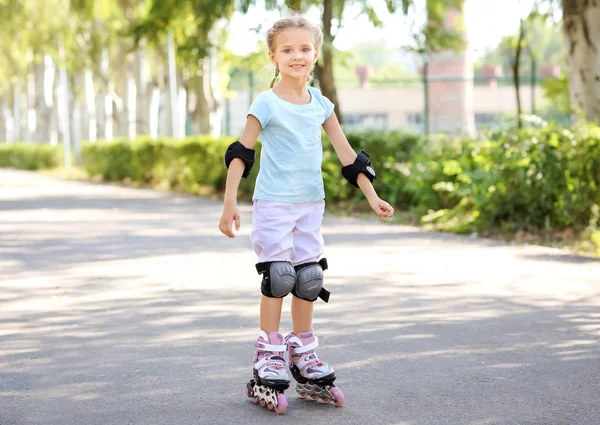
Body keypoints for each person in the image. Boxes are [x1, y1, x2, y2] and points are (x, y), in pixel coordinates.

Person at [218, 13, 394, 413]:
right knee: (279, 275)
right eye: (287, 50)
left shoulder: (321, 104)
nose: (296, 56)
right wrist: (230, 201)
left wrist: (372, 195)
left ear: (315, 54)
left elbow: (349, 158)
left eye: (304, 49)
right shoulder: (265, 102)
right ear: (273, 55)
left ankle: (304, 350)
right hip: (275, 204)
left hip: (311, 204)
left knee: (309, 277)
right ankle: (269, 351)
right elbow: (241, 154)